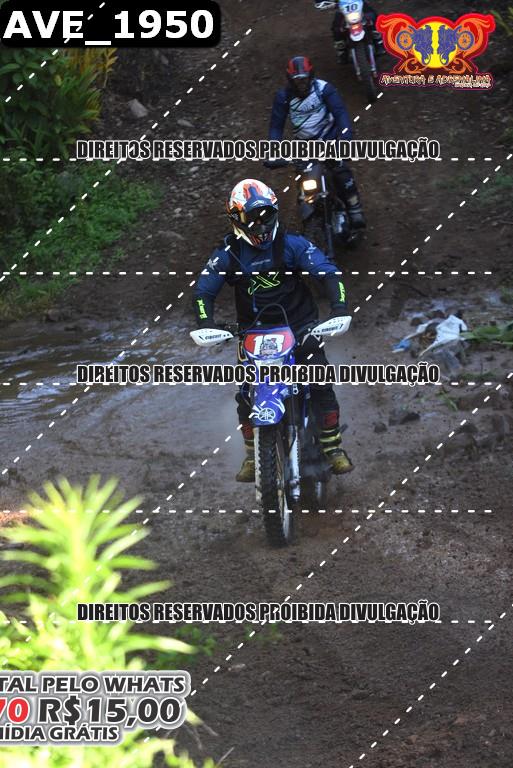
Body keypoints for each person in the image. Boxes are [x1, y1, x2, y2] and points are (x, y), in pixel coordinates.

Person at [193, 178, 354, 483]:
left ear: (275, 212)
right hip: (253, 334)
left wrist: (340, 308)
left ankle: (333, 448)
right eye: (252, 218)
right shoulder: (227, 253)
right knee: (245, 393)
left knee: (320, 381)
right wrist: (205, 323)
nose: (261, 224)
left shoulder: (293, 244)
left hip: (301, 327)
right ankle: (253, 455)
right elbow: (203, 293)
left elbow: (329, 274)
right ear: (236, 219)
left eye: (266, 215)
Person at [268, 56, 365, 229]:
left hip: (330, 139)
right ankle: (307, 213)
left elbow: (340, 114)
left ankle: (354, 206)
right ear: (290, 80)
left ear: (311, 77)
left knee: (340, 170)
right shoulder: (283, 97)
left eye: (304, 80)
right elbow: (276, 126)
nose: (301, 84)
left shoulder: (324, 89)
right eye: (297, 81)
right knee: (303, 180)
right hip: (304, 146)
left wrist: (345, 138)